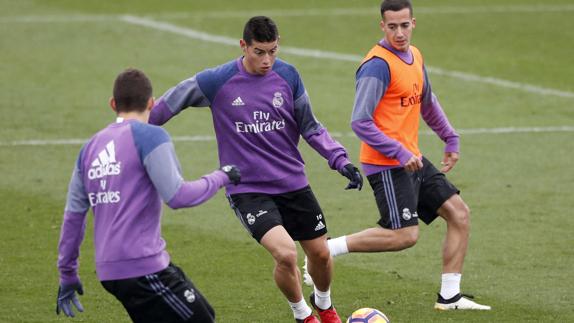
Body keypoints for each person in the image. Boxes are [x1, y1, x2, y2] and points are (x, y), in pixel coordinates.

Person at [149, 16, 363, 323]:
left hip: (292, 182)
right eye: (259, 52)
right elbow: (171, 102)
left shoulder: (288, 76)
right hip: (248, 189)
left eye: (272, 51)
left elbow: (310, 127)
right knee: (286, 253)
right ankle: (303, 315)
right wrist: (135, 129)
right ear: (243, 46)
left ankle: (325, 304)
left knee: (321, 254)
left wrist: (340, 160)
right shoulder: (217, 80)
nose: (267, 60)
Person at [303, 0, 491, 311]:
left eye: (404, 25)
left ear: (413, 23)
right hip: (387, 164)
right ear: (382, 26)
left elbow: (426, 101)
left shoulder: (415, 55)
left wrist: (450, 137)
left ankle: (450, 296)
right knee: (404, 235)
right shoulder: (377, 65)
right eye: (392, 26)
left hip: (411, 158)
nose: (399, 33)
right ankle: (325, 249)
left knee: (459, 214)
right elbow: (360, 122)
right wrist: (399, 151)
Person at [56, 68, 241, 322]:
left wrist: (67, 274)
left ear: (113, 104)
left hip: (110, 271)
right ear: (152, 104)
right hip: (141, 266)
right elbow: (178, 196)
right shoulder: (150, 136)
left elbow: (73, 217)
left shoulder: (89, 148)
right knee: (202, 318)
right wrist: (222, 176)